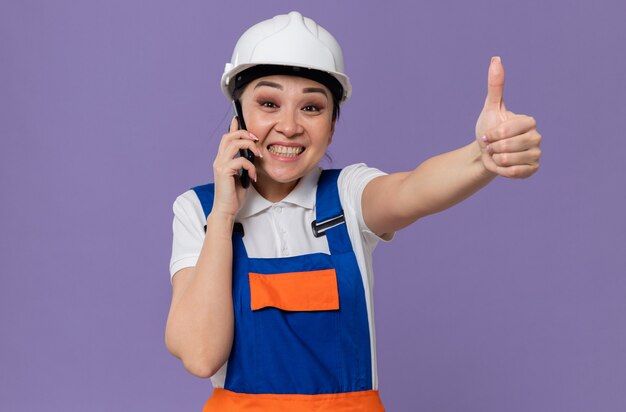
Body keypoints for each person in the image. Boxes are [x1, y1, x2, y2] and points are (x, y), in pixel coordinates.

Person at [165, 11, 541, 412]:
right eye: (269, 103)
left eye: (311, 107)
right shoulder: (199, 210)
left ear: (332, 125)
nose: (289, 126)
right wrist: (223, 215)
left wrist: (481, 155)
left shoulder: (347, 195)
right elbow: (200, 354)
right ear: (238, 113)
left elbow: (412, 188)